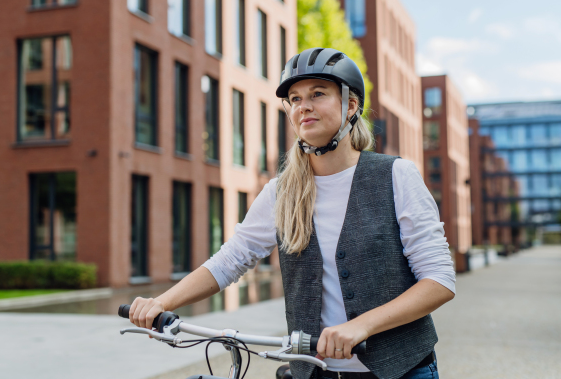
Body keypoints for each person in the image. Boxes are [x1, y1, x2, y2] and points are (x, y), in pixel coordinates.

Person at [129, 48, 456, 379]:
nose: (304, 106)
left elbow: (439, 279)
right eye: (295, 99)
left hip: (402, 370)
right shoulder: (281, 191)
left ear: (351, 105)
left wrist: (361, 326)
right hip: (314, 372)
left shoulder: (396, 175)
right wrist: (162, 302)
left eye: (317, 94)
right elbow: (230, 260)